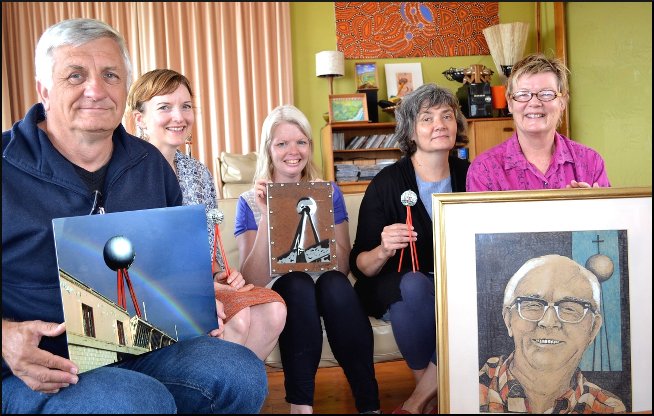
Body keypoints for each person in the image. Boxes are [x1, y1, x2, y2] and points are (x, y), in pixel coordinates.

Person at [2, 18, 266, 414]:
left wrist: (194, 298)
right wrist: (5, 338)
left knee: (239, 371)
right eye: (75, 75)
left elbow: (174, 264)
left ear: (125, 87)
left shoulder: (150, 165)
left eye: (110, 74)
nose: (95, 89)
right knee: (138, 401)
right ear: (44, 90)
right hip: (39, 363)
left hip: (140, 346)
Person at [127, 68, 286, 361]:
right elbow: (135, 259)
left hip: (203, 282)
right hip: (153, 290)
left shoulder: (198, 173)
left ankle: (236, 398)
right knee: (237, 320)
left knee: (273, 309)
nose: (179, 116)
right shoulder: (126, 173)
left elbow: (208, 248)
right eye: (165, 107)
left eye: (186, 106)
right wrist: (198, 284)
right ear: (140, 119)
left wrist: (220, 273)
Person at [235, 104, 381, 414]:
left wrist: (324, 220)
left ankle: (370, 406)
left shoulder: (329, 191)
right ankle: (301, 407)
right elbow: (251, 279)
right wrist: (266, 216)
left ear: (309, 147)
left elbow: (343, 267)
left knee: (335, 285)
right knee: (298, 283)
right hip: (282, 287)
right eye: (282, 143)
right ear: (268, 149)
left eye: (301, 141)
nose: (293, 151)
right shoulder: (248, 201)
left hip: (327, 279)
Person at [349, 83, 470, 414]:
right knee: (415, 285)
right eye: (427, 118)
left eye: (447, 116)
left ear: (457, 125)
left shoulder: (471, 175)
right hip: (394, 284)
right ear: (411, 131)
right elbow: (361, 265)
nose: (440, 125)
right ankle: (431, 392)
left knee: (473, 295)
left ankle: (419, 402)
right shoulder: (387, 182)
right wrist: (385, 249)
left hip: (455, 284)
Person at [479, 254, 626, 413]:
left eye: (570, 308)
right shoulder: (466, 391)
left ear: (593, 328)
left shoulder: (608, 408)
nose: (548, 322)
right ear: (508, 320)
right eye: (533, 305)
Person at [466, 53, 611, 191]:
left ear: (562, 101)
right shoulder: (483, 169)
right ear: (510, 103)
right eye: (523, 94)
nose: (534, 102)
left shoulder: (591, 162)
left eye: (546, 94)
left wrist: (592, 207)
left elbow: (611, 216)